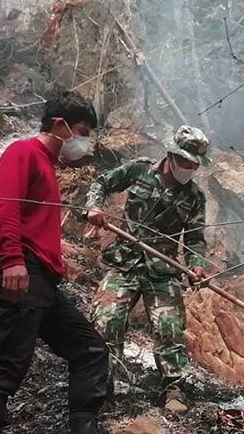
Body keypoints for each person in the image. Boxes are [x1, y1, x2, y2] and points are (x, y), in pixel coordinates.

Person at [0, 91, 134, 434]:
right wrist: (11, 259)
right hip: (23, 269)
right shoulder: (22, 152)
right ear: (58, 125)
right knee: (9, 357)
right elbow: (6, 206)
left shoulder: (47, 164)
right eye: (80, 132)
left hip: (44, 278)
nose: (83, 143)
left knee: (90, 349)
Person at [85, 125, 210, 412]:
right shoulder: (139, 171)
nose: (189, 168)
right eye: (185, 162)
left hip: (162, 268)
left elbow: (195, 240)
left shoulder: (194, 197)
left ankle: (173, 388)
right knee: (106, 320)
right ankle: (101, 384)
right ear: (171, 155)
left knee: (169, 327)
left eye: (194, 165)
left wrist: (197, 266)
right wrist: (95, 207)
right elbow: (101, 184)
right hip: (125, 261)